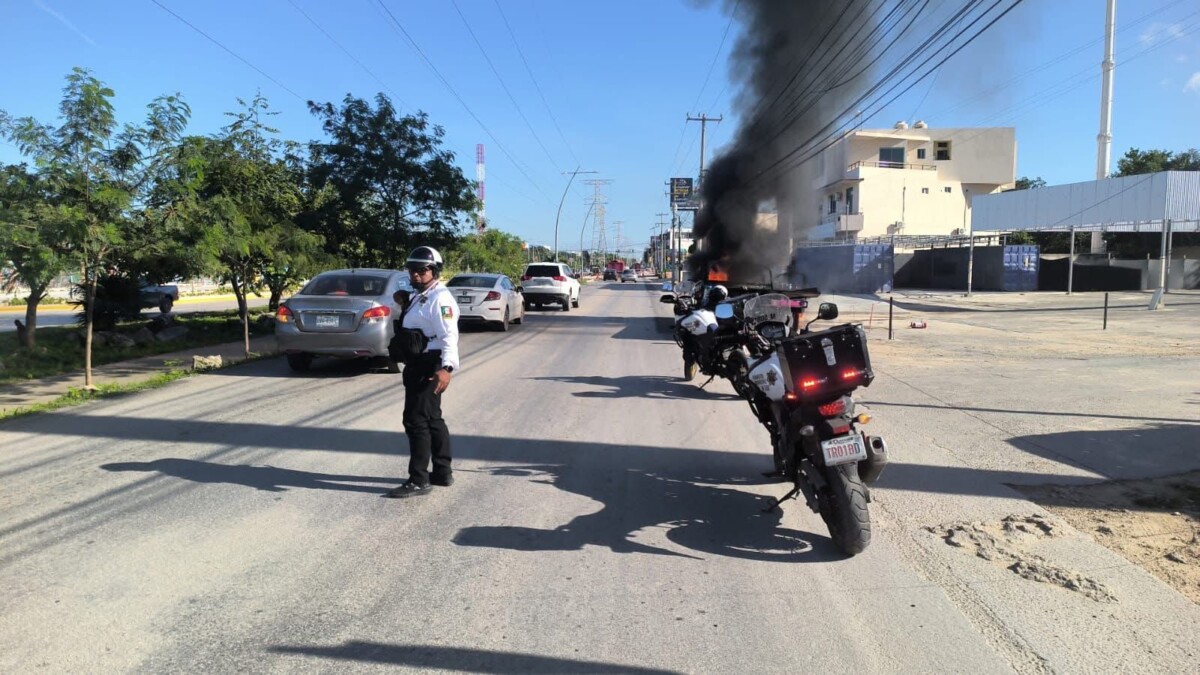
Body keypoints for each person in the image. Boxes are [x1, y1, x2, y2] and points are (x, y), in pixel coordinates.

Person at [386, 246, 460, 499]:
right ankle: (441, 471)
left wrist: (446, 368)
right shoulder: (421, 294)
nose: (416, 274)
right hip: (418, 361)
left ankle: (419, 479)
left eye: (422, 270)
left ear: (434, 271)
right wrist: (404, 300)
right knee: (432, 419)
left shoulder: (441, 299)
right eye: (412, 270)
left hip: (431, 363)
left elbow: (449, 336)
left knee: (415, 420)